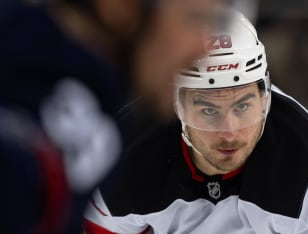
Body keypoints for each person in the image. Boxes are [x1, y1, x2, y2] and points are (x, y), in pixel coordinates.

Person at [84, 11, 308, 233]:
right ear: (176, 106)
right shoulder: (123, 154)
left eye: (243, 106)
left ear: (265, 99)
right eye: (208, 111)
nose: (229, 132)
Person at [0, 0, 224, 233]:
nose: (205, 50)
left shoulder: (104, 102)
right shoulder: (66, 100)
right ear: (118, 6)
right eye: (194, 19)